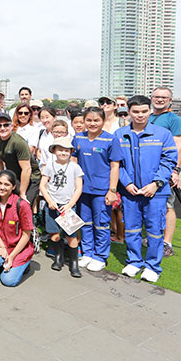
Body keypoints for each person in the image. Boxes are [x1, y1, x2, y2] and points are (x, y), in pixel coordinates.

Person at [115, 95, 177, 283]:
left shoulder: (162, 134)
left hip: (156, 192)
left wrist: (156, 183)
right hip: (130, 191)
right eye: (136, 112)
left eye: (144, 111)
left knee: (155, 230)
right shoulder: (120, 134)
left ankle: (152, 266)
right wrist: (126, 183)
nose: (140, 115)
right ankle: (134, 261)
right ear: (129, 112)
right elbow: (117, 164)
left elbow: (169, 161)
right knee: (132, 228)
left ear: (150, 111)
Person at [72, 107, 123, 272]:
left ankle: (100, 256)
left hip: (101, 190)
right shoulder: (78, 138)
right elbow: (73, 160)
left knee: (101, 223)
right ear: (84, 121)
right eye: (89, 120)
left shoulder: (110, 140)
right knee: (85, 222)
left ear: (103, 121)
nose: (92, 124)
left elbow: (115, 167)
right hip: (82, 189)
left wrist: (112, 190)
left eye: (96, 120)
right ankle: (87, 253)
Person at [39, 137, 83, 278]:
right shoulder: (50, 166)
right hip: (53, 205)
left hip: (68, 206)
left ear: (70, 152)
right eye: (60, 150)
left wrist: (70, 204)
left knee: (72, 235)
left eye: (66, 150)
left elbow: (78, 188)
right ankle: (59, 257)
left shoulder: (75, 167)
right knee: (55, 234)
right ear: (54, 151)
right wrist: (49, 200)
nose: (63, 153)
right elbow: (43, 185)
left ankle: (74, 263)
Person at [148, 87, 181, 258]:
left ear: (170, 100)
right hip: (147, 169)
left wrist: (175, 170)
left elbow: (178, 146)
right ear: (151, 98)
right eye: (157, 96)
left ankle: (167, 242)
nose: (160, 99)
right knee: (148, 205)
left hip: (165, 169)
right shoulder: (146, 116)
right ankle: (150, 237)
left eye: (164, 97)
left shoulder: (174, 119)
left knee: (168, 206)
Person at [0, 170, 34, 287]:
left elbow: (26, 234)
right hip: (1, 243)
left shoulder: (22, 205)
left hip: (19, 247)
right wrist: (1, 246)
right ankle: (2, 264)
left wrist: (12, 256)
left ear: (13, 187)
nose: (2, 187)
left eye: (6, 184)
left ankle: (23, 264)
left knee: (8, 281)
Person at [0, 113, 41, 203]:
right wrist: (3, 178)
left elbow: (27, 169)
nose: (2, 128)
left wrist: (22, 193)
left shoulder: (18, 142)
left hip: (31, 177)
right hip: (14, 176)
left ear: (11, 126)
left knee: (24, 205)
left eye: (6, 125)